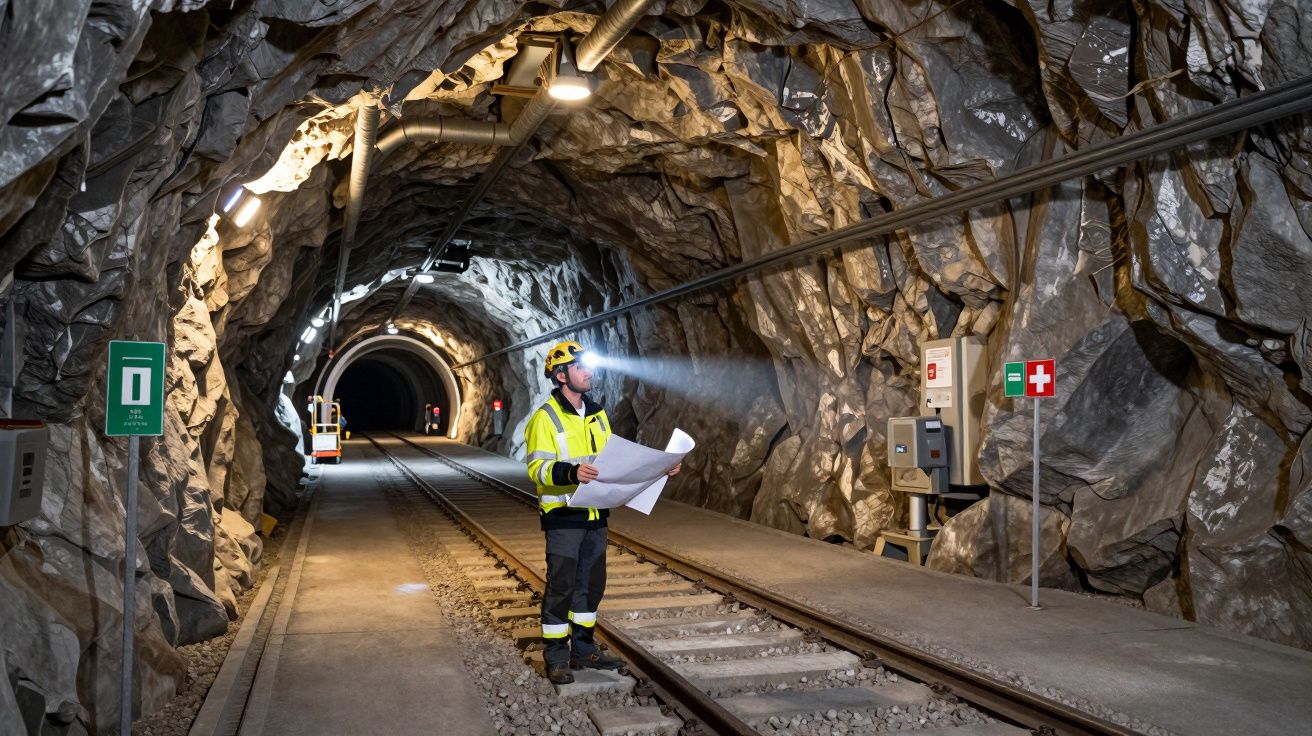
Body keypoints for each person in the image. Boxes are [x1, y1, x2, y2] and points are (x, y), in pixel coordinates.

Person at [524, 341, 679, 684]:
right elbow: (536, 468)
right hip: (563, 516)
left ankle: (584, 649)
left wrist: (659, 469)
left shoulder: (597, 415)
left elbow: (616, 462)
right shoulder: (545, 418)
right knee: (561, 586)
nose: (589, 373)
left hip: (596, 516)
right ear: (561, 375)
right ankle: (556, 656)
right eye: (582, 368)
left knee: (591, 587)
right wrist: (571, 472)